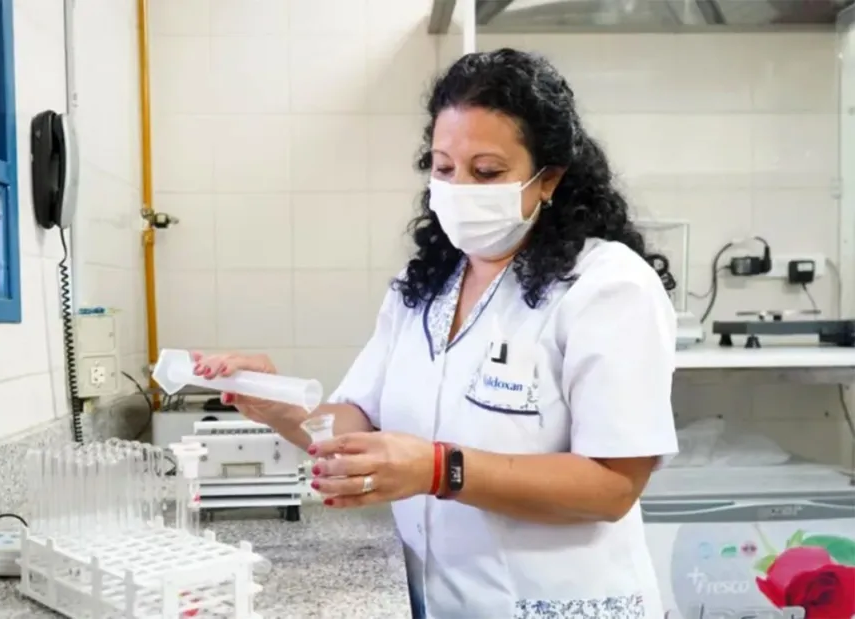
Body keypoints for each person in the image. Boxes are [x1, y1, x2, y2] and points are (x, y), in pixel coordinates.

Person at [194, 48, 678, 619]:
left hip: (560, 602)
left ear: (549, 179)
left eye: (487, 172)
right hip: (441, 601)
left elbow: (612, 487)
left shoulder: (607, 286)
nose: (460, 188)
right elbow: (357, 421)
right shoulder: (425, 286)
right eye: (444, 169)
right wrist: (277, 405)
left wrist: (437, 469)